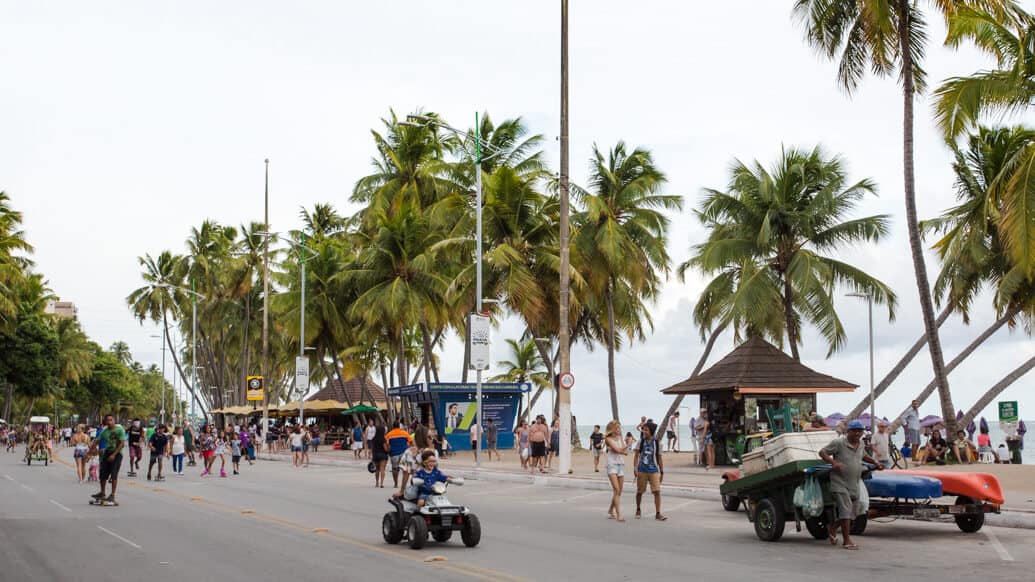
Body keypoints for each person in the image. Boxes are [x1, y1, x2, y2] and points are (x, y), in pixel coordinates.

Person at [819, 419, 882, 550]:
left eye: (860, 431)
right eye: (854, 431)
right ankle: (846, 541)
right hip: (839, 482)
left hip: (854, 483)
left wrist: (875, 463)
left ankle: (832, 527)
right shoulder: (839, 443)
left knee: (854, 512)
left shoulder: (861, 445)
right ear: (848, 432)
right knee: (846, 510)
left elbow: (864, 456)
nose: (857, 433)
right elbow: (822, 452)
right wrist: (834, 463)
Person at [632, 422, 666, 521]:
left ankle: (658, 513)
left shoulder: (657, 443)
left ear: (651, 431)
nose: (644, 431)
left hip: (654, 470)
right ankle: (638, 509)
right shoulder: (640, 442)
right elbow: (636, 456)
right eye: (643, 429)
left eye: (646, 430)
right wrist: (635, 468)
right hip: (642, 470)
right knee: (639, 492)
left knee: (657, 491)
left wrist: (662, 472)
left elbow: (659, 458)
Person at [92, 414, 126, 505]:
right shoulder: (105, 431)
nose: (110, 422)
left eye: (111, 420)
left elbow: (122, 444)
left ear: (114, 420)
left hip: (117, 453)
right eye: (108, 420)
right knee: (103, 474)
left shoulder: (119, 430)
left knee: (114, 474)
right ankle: (102, 493)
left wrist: (114, 455)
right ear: (105, 422)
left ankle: (112, 494)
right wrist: (92, 449)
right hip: (107, 452)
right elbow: (97, 440)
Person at [604, 420, 627, 522]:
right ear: (612, 429)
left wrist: (623, 449)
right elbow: (618, 450)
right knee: (616, 490)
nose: (619, 430)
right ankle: (619, 514)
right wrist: (628, 444)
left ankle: (610, 509)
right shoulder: (608, 439)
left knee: (619, 491)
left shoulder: (620, 438)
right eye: (617, 428)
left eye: (619, 428)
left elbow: (624, 451)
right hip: (612, 464)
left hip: (620, 464)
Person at [385, 421, 412, 488]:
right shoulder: (404, 433)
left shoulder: (389, 434)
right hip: (404, 453)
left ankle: (396, 483)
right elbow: (410, 441)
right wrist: (408, 447)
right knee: (404, 469)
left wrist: (388, 451)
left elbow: (387, 444)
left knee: (395, 469)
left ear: (393, 426)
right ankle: (404, 483)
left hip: (394, 454)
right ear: (399, 426)